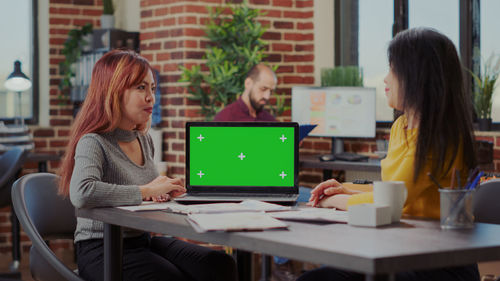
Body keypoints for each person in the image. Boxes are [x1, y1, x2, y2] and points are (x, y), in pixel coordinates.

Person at [300, 28, 480, 281]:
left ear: (417, 76)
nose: (385, 79)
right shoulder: (400, 127)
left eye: (392, 69)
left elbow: (392, 204)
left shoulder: (440, 135)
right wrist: (344, 190)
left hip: (437, 262)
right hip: (401, 251)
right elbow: (393, 190)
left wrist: (333, 202)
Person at [57, 49, 237, 281]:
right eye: (141, 88)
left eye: (152, 88)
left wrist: (159, 192)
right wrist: (147, 191)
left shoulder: (144, 139)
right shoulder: (93, 141)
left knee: (219, 264)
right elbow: (82, 192)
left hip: (141, 241)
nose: (151, 97)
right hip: (99, 248)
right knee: (168, 277)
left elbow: (136, 194)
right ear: (112, 91)